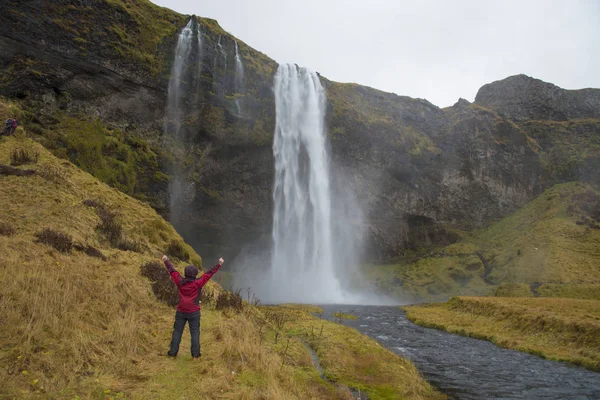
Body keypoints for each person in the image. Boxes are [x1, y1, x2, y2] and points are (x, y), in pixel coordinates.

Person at [162, 254, 223, 359]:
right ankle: (195, 355)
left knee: (177, 331)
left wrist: (166, 260)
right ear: (195, 274)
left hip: (181, 310)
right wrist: (218, 264)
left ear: (185, 273)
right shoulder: (198, 283)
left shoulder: (180, 281)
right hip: (194, 312)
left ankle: (172, 353)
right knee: (195, 332)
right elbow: (209, 273)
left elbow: (172, 271)